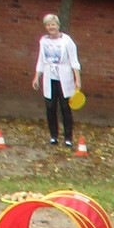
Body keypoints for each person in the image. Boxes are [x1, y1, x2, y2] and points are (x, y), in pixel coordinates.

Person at [31, 13, 81, 145]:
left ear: (58, 25)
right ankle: (53, 136)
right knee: (50, 107)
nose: (51, 27)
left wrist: (77, 79)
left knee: (65, 108)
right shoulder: (43, 41)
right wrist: (37, 77)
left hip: (64, 79)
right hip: (49, 78)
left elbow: (74, 61)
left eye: (53, 24)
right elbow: (41, 60)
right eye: (48, 25)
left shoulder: (67, 41)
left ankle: (68, 138)